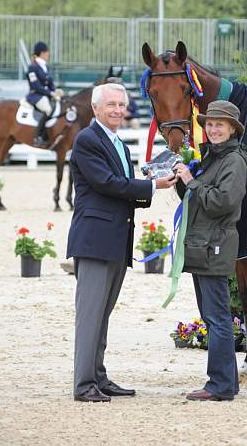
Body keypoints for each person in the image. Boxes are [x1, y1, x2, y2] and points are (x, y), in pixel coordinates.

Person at [66, 82, 176, 403]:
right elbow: (107, 184)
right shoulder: (88, 140)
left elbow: (125, 190)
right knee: (90, 316)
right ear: (96, 108)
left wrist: (156, 181)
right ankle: (84, 383)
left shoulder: (119, 144)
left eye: (121, 105)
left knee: (102, 314)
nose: (117, 110)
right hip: (95, 240)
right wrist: (152, 185)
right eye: (111, 104)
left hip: (116, 239)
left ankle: (97, 376)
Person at [174, 101, 247, 402]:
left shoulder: (233, 160)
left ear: (232, 128)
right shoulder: (213, 158)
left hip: (214, 245)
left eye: (220, 124)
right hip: (204, 245)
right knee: (213, 316)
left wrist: (192, 182)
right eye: (209, 124)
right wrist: (183, 180)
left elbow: (223, 202)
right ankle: (226, 382)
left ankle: (219, 385)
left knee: (217, 318)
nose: (213, 129)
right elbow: (196, 199)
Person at [26, 41, 63, 146]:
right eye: (47, 52)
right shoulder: (32, 67)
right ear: (42, 53)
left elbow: (50, 82)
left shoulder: (45, 66)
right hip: (36, 95)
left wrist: (56, 90)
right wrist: (51, 93)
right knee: (48, 109)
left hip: (46, 95)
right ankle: (39, 136)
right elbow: (35, 86)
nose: (48, 54)